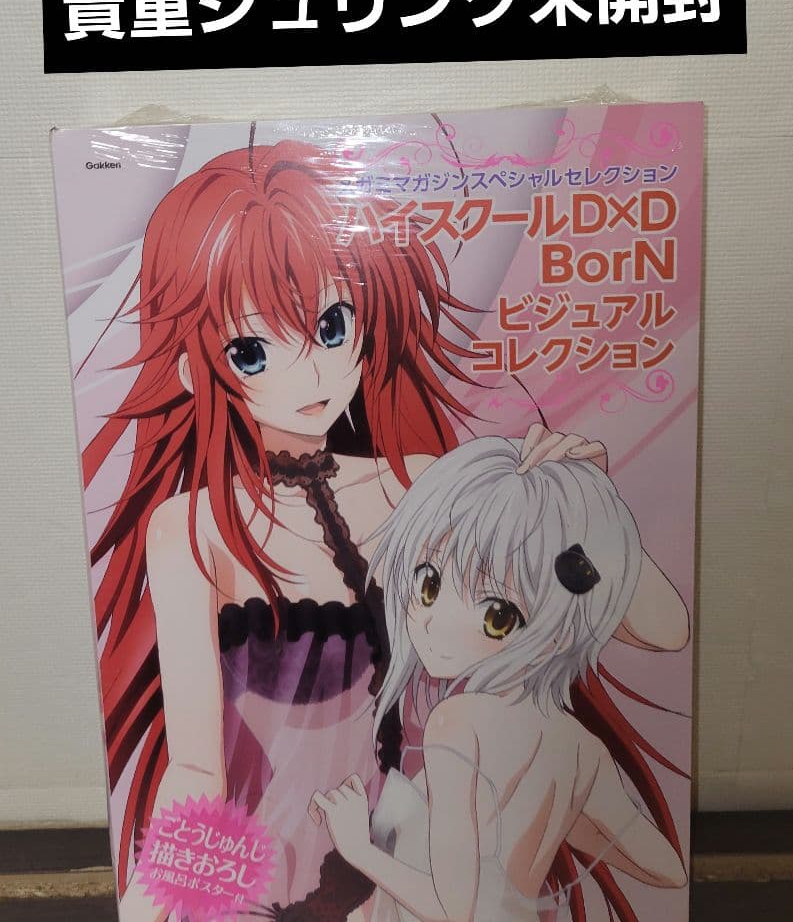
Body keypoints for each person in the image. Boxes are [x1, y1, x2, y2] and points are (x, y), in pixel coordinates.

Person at [84, 139, 687, 921]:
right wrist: (151, 904)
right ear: (197, 369)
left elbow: (664, 632)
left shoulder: (423, 483)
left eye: (331, 325)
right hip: (269, 875)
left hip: (420, 869)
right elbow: (198, 768)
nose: (309, 372)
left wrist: (589, 507)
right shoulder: (192, 529)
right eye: (253, 350)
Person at [310, 438, 687, 922]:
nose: (433, 622)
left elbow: (456, 911)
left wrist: (358, 848)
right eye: (428, 584)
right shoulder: (579, 747)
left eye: (497, 616)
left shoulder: (458, 722)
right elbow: (667, 869)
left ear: (556, 626)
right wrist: (547, 827)